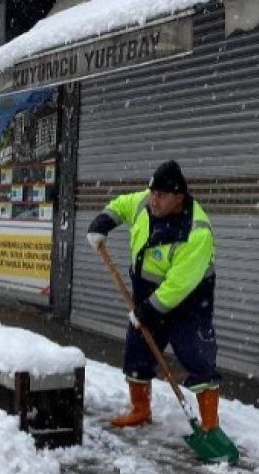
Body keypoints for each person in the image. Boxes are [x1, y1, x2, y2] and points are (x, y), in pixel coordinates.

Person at [86, 160, 223, 431]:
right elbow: (121, 205)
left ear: (179, 197)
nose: (153, 200)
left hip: (189, 301)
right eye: (152, 192)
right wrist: (101, 224)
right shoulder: (144, 203)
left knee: (197, 355)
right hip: (146, 294)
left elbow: (177, 287)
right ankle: (140, 410)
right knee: (137, 351)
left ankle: (209, 424)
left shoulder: (197, 232)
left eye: (161, 195)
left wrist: (145, 312)